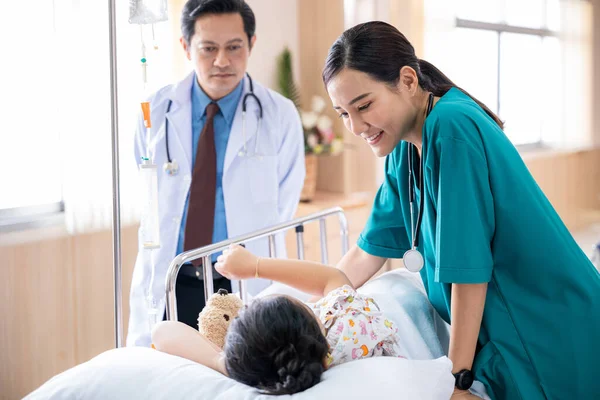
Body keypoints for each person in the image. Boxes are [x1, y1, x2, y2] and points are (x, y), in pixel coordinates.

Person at [320, 21, 600, 399]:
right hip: (506, 338)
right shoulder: (402, 147)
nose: (355, 127)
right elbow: (363, 256)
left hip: (546, 330)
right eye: (342, 114)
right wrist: (314, 313)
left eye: (364, 106)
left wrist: (456, 379)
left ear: (406, 80)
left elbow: (469, 273)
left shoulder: (452, 127)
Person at [127, 0, 305, 347]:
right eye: (208, 48)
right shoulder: (156, 112)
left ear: (251, 44)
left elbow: (285, 201)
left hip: (240, 281)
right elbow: (146, 183)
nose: (222, 61)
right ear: (185, 47)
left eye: (234, 47)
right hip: (172, 280)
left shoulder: (278, 115)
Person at [151, 244, 406, 395]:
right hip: (406, 291)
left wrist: (224, 363)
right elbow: (332, 276)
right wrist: (256, 266)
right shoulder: (351, 328)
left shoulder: (267, 369)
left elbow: (163, 331)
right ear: (316, 319)